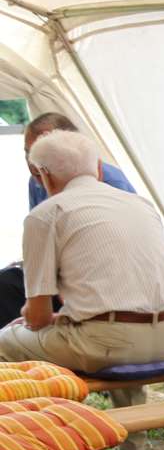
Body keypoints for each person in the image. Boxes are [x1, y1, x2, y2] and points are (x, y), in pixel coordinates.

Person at [0, 130, 164, 450]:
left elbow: (40, 316)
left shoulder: (46, 214)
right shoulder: (141, 205)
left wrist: (28, 316)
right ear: (99, 170)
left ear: (42, 175)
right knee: (114, 334)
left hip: (109, 342)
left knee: (6, 343)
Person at [0, 112, 137, 331]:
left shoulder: (111, 184)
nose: (33, 161)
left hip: (98, 284)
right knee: (6, 285)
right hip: (62, 276)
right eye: (28, 153)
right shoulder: (36, 183)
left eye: (43, 151)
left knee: (13, 334)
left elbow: (111, 258)